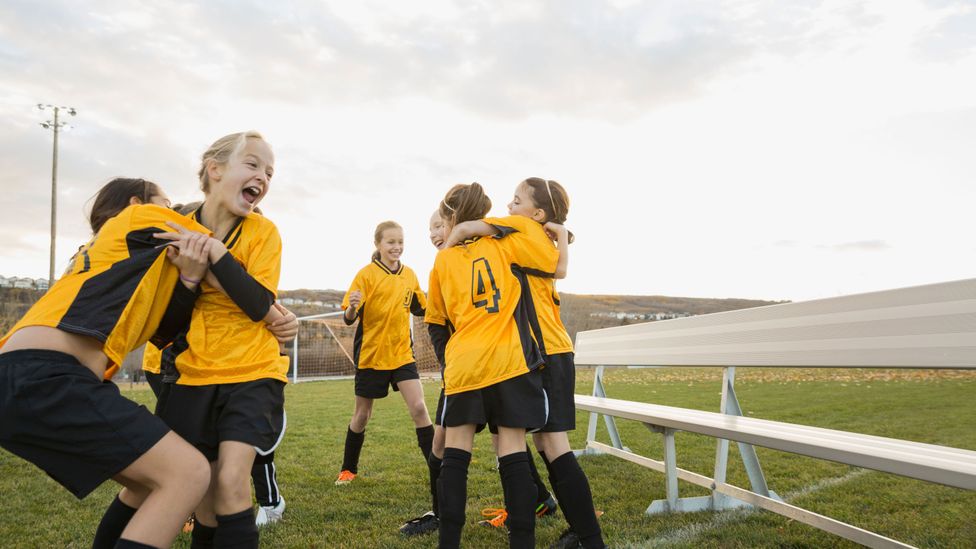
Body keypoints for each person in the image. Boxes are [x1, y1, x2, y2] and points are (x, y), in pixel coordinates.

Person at [0, 177, 213, 549]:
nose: (172, 211)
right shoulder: (138, 218)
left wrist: (190, 279)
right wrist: (267, 306)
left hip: (28, 373)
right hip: (48, 373)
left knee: (145, 484)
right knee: (189, 472)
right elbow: (213, 236)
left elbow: (163, 332)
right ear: (137, 203)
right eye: (166, 204)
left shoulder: (116, 258)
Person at [446, 178, 606, 549]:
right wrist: (563, 236)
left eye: (516, 200)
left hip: (544, 352)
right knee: (540, 443)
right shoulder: (530, 233)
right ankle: (575, 527)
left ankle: (590, 539)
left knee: (552, 444)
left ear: (536, 213)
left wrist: (449, 250)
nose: (508, 205)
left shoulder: (520, 228)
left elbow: (469, 227)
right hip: (545, 351)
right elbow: (558, 266)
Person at [154, 131, 292, 548]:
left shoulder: (263, 233)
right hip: (192, 373)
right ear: (214, 169)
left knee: (232, 482)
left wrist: (211, 253)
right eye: (252, 164)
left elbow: (257, 302)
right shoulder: (173, 232)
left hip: (254, 370)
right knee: (203, 499)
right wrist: (190, 278)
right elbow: (165, 330)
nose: (263, 177)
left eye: (269, 172)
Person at [427, 182, 559, 549]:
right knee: (513, 452)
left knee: (456, 454)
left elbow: (435, 322)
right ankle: (522, 543)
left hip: (466, 364)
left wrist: (447, 363)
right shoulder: (506, 242)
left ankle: (448, 542)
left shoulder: (443, 258)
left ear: (452, 217)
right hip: (510, 362)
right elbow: (549, 260)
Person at [336, 221, 433, 487]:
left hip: (402, 354)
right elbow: (348, 318)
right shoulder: (366, 275)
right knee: (362, 415)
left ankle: (438, 467)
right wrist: (353, 307)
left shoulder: (410, 275)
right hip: (372, 356)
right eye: (391, 242)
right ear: (378, 244)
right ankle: (348, 469)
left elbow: (421, 309)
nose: (397, 247)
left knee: (419, 407)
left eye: (400, 242)